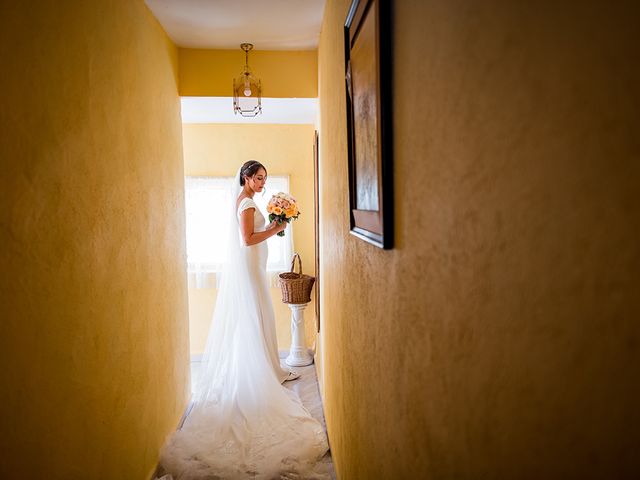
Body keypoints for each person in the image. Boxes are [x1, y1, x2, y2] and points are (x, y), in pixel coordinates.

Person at [158, 161, 329, 480]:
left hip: (252, 270)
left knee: (257, 319)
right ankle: (260, 373)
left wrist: (279, 219)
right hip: (250, 273)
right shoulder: (247, 202)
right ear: (247, 178)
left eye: (265, 178)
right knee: (257, 317)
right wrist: (278, 227)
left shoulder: (245, 199)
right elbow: (248, 239)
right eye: (259, 178)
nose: (263, 182)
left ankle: (265, 368)